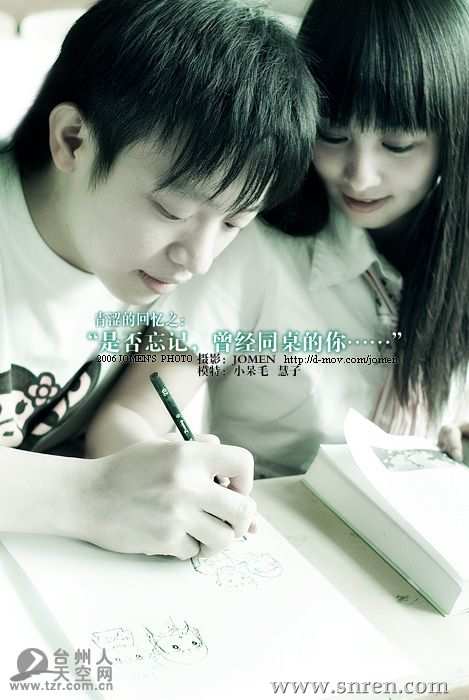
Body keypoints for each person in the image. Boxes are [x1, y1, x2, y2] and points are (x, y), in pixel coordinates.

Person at [87, 0, 469, 478]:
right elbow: (124, 420)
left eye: (397, 145)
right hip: (268, 510)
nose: (360, 176)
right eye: (332, 135)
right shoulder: (249, 241)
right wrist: (184, 475)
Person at [0, 0, 320, 556]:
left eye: (234, 223)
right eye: (172, 210)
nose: (198, 259)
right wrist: (91, 494)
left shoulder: (167, 264)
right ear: (73, 140)